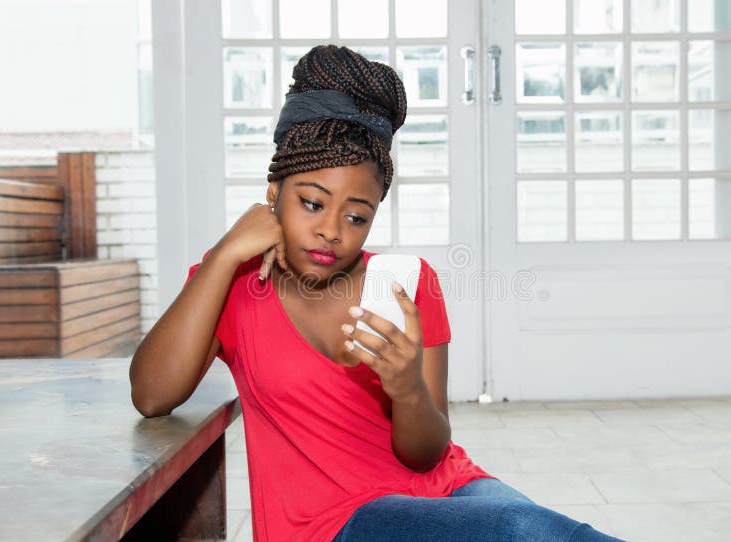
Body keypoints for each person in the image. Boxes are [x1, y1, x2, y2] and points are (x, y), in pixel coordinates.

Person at [129, 44, 624, 542]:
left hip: (449, 487)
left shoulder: (408, 283)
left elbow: (426, 454)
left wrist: (407, 388)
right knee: (521, 530)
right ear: (274, 194)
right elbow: (152, 395)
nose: (330, 230)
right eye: (311, 202)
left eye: (356, 215)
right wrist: (222, 254)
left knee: (552, 531)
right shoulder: (233, 283)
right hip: (333, 521)